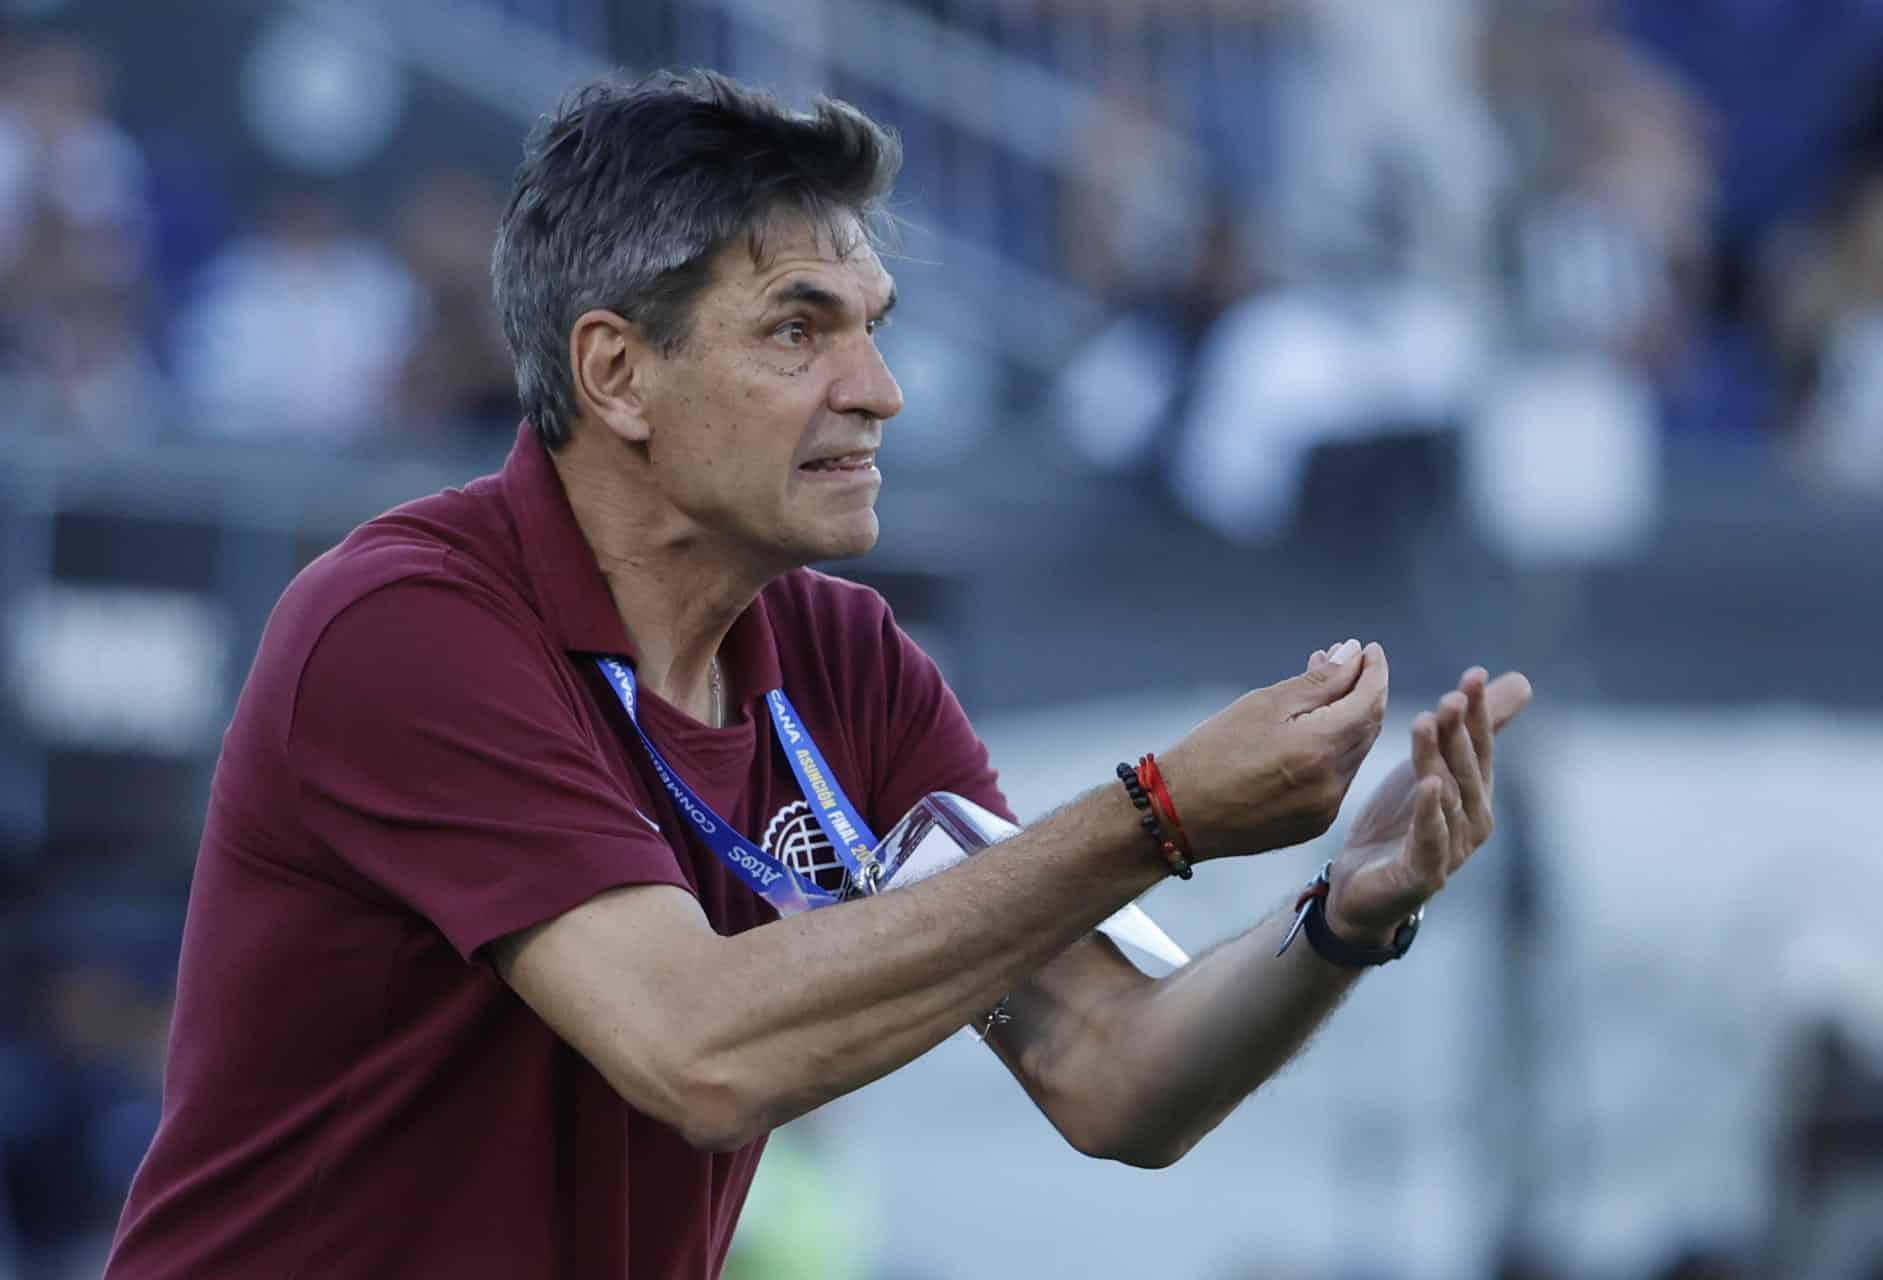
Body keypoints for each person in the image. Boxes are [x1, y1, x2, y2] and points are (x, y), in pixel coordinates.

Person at [103, 70, 1533, 1279]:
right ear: (616, 373)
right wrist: (1155, 813)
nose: (878, 391)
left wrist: (1339, 917)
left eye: (873, 325)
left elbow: (1111, 1070)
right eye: (799, 329)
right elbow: (694, 1051)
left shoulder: (847, 661)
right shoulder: (403, 625)